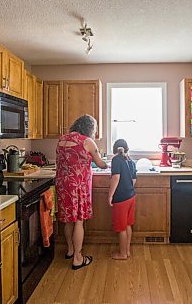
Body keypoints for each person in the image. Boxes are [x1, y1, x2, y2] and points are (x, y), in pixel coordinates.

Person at [55, 114, 107, 270]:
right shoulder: (87, 141)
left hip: (63, 185)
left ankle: (70, 250)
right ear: (90, 128)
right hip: (78, 186)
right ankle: (78, 258)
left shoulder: (62, 139)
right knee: (79, 220)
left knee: (68, 219)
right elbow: (100, 164)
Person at [107, 139, 137, 260]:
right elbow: (133, 180)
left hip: (121, 199)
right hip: (131, 196)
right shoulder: (131, 161)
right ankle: (127, 251)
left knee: (121, 228)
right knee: (128, 225)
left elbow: (116, 178)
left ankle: (122, 254)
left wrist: (110, 195)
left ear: (115, 150)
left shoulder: (116, 160)